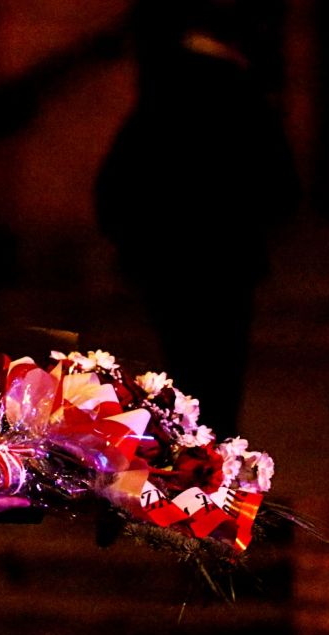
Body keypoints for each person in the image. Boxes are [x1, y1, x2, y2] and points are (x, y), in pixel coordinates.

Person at [95, 0, 300, 438]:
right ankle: (215, 456)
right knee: (222, 370)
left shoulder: (163, 92)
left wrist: (131, 243)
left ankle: (192, 452)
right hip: (227, 257)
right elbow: (279, 180)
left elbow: (117, 180)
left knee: (185, 365)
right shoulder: (241, 93)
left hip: (168, 258)